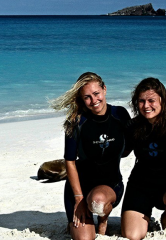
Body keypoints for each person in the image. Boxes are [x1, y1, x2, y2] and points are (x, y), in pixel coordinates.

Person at [51, 72, 131, 239]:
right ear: (81, 99)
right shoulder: (76, 122)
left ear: (105, 89)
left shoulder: (120, 115)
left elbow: (129, 148)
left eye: (96, 94)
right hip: (79, 188)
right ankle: (75, 220)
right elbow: (70, 162)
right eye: (87, 97)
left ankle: (103, 220)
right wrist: (79, 199)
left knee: (99, 202)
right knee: (84, 238)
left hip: (110, 186)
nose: (94, 101)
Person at [121, 77, 166, 240]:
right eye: (141, 101)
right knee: (131, 235)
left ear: (162, 100)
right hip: (140, 186)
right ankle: (144, 214)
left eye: (151, 100)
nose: (146, 106)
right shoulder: (132, 127)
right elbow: (122, 152)